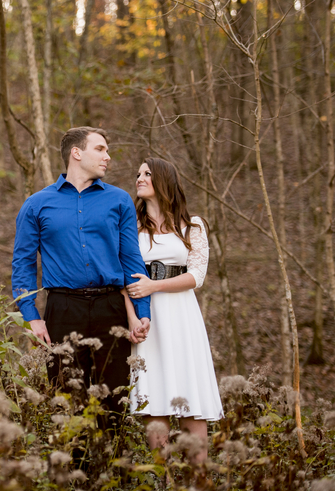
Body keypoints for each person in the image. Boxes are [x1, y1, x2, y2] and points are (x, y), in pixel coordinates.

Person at [11, 127, 152, 420]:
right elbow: (23, 264)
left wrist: (142, 311)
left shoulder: (120, 200)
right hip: (63, 309)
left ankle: (111, 464)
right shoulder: (37, 204)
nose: (107, 157)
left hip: (111, 309)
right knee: (66, 399)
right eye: (100, 149)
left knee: (113, 402)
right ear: (77, 153)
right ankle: (72, 466)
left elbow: (131, 259)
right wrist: (32, 316)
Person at [124, 157, 223, 463]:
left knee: (189, 388)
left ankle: (199, 478)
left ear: (164, 181)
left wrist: (155, 286)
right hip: (145, 319)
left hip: (182, 316)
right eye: (139, 173)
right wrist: (132, 320)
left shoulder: (192, 225)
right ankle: (161, 475)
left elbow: (196, 276)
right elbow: (121, 278)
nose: (140, 178)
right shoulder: (130, 226)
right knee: (154, 396)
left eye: (147, 174)